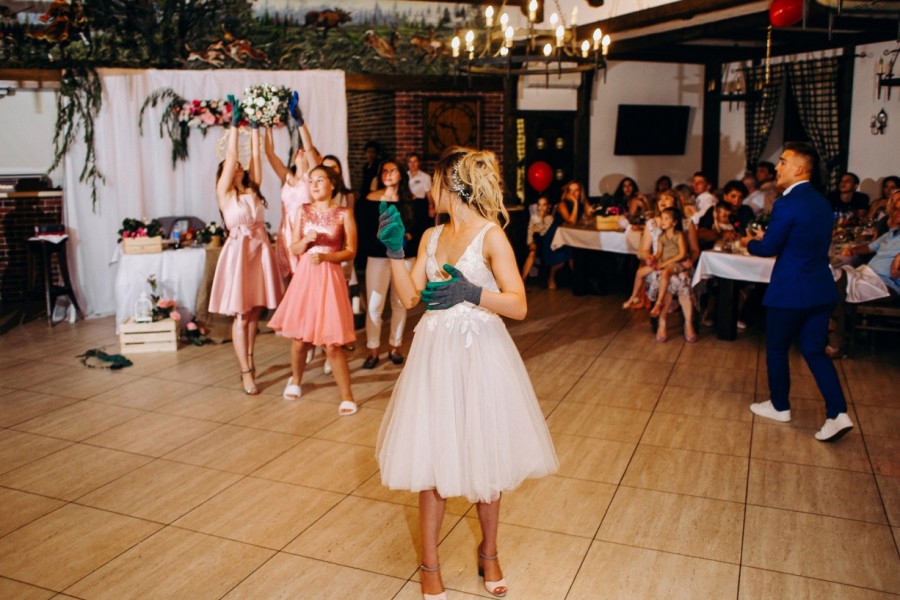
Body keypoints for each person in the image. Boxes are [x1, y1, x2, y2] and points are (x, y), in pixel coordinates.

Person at [375, 146, 558, 600]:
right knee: (432, 458)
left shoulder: (492, 236)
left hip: (480, 353)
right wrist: (395, 252)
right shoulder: (431, 235)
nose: (429, 191)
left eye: (435, 182)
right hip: (435, 353)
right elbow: (409, 299)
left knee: (485, 453)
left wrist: (472, 292)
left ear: (452, 186)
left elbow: (519, 305)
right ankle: (430, 564)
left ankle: (489, 552)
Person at [743, 142, 853, 442]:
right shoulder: (822, 202)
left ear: (800, 168)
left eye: (783, 162)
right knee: (814, 351)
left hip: (790, 290)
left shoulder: (786, 203)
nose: (777, 167)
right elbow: (803, 240)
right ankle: (838, 413)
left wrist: (749, 242)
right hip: (820, 288)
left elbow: (769, 248)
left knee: (777, 349)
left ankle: (780, 406)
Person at [267, 164, 358, 414]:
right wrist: (306, 241)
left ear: (332, 184)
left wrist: (328, 257)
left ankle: (347, 396)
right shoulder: (303, 211)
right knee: (300, 340)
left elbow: (351, 251)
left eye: (320, 180)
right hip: (306, 277)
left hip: (330, 277)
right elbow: (294, 248)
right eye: (312, 181)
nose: (314, 185)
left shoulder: (344, 213)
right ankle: (296, 380)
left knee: (331, 343)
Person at [208, 99, 284, 395]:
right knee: (241, 313)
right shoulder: (224, 193)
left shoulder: (253, 189)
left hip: (259, 250)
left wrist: (254, 128)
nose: (237, 165)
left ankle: (250, 359)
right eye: (231, 166)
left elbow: (255, 157)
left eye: (240, 165)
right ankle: (244, 371)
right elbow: (231, 156)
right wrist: (234, 124)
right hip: (239, 253)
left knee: (253, 313)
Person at [357, 158, 412, 368]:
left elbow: (416, 229)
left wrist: (406, 237)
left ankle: (394, 346)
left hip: (404, 257)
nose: (388, 174)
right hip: (378, 256)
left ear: (401, 174)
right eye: (384, 171)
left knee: (399, 302)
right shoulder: (371, 199)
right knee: (374, 304)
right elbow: (365, 231)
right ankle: (372, 349)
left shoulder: (410, 200)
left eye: (392, 170)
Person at [263, 92, 322, 282]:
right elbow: (269, 153)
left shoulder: (311, 177)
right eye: (299, 149)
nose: (301, 151)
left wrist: (300, 122)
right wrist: (267, 124)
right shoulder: (287, 176)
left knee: (305, 277)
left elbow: (309, 148)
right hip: (286, 230)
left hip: (304, 229)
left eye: (304, 151)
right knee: (288, 279)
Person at [544, 180, 584, 289]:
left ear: (580, 192)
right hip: (556, 235)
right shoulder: (562, 204)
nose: (573, 193)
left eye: (576, 190)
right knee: (561, 261)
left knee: (575, 256)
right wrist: (575, 203)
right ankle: (551, 277)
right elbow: (572, 221)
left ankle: (578, 282)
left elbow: (586, 216)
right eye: (570, 190)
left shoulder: (582, 204)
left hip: (570, 235)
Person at [521, 196, 553, 280]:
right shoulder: (533, 217)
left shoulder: (550, 218)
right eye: (539, 205)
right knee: (532, 252)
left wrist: (541, 219)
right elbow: (530, 232)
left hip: (546, 243)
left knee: (536, 251)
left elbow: (543, 232)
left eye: (544, 205)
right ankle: (523, 279)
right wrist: (530, 243)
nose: (541, 207)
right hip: (536, 241)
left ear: (548, 206)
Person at [407, 151, 435, 217]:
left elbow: (429, 195)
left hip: (419, 205)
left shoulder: (426, 177)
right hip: (406, 206)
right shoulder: (403, 176)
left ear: (419, 163)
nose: (412, 164)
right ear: (407, 163)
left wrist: (431, 208)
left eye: (415, 161)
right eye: (410, 162)